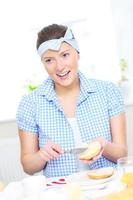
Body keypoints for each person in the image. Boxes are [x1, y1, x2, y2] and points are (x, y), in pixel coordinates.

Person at [16, 23, 127, 178]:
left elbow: (122, 152)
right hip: (61, 192)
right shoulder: (30, 104)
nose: (59, 67)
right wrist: (42, 155)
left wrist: (104, 145)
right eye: (49, 60)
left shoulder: (108, 91)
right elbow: (28, 166)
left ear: (77, 53)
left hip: (106, 188)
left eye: (65, 55)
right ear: (43, 63)